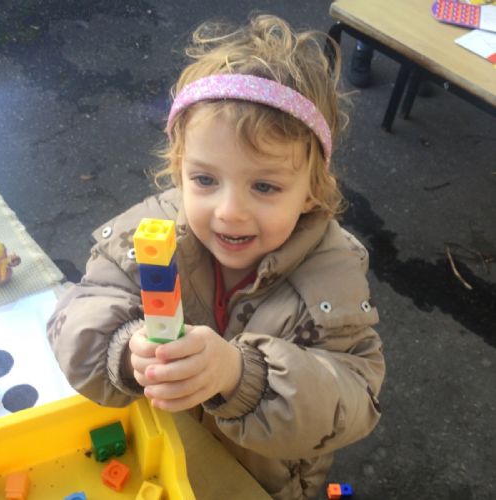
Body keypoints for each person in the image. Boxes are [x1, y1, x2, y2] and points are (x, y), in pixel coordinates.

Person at [47, 14, 385, 500]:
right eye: (205, 180)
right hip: (162, 454)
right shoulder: (147, 234)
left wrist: (240, 375)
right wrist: (121, 347)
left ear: (312, 191)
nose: (229, 212)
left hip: (262, 480)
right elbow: (77, 311)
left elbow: (354, 399)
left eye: (264, 186)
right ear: (179, 169)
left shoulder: (331, 278)